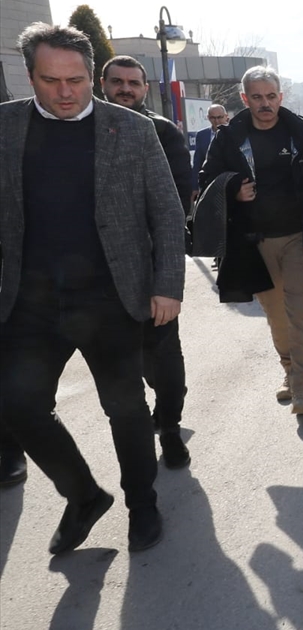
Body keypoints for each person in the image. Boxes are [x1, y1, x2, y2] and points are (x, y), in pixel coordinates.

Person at [0, 22, 185, 553]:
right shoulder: (6, 126)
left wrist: (167, 285)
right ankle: (83, 496)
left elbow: (167, 213)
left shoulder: (132, 129)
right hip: (29, 299)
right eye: (50, 80)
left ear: (91, 76)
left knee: (125, 409)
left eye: (76, 80)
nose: (65, 92)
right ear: (30, 75)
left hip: (110, 297)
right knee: (18, 405)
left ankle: (141, 505)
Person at [200, 65, 303, 414]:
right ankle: (289, 371)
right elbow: (207, 179)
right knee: (277, 317)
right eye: (257, 97)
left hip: (299, 238)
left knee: (299, 314)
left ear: (281, 97)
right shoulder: (229, 138)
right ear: (244, 99)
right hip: (256, 242)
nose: (265, 104)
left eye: (271, 96)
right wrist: (233, 189)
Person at [100, 55, 194, 468]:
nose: (125, 89)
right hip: (99, 275)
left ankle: (170, 428)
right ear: (103, 84)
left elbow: (176, 204)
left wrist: (166, 278)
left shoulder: (162, 132)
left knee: (164, 359)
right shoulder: (86, 131)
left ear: (144, 88)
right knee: (125, 364)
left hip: (151, 269)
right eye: (117, 81)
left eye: (133, 83)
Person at [193, 103, 228, 200]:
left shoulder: (234, 133)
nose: (216, 121)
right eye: (213, 118)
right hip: (209, 183)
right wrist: (195, 187)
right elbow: (197, 162)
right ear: (208, 118)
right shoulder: (202, 135)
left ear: (226, 116)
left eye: (219, 117)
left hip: (228, 181)